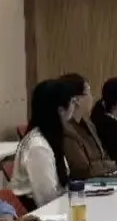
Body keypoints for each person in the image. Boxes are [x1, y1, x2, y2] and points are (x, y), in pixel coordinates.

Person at [10, 78, 74, 210]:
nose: (75, 106)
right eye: (72, 102)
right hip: (40, 214)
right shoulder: (38, 146)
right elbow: (47, 200)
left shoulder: (50, 136)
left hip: (57, 208)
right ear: (61, 110)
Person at [60, 73, 117, 179]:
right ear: (76, 100)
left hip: (103, 177)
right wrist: (106, 166)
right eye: (89, 93)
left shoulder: (89, 124)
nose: (92, 97)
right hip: (87, 183)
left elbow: (103, 156)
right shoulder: (66, 130)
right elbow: (81, 169)